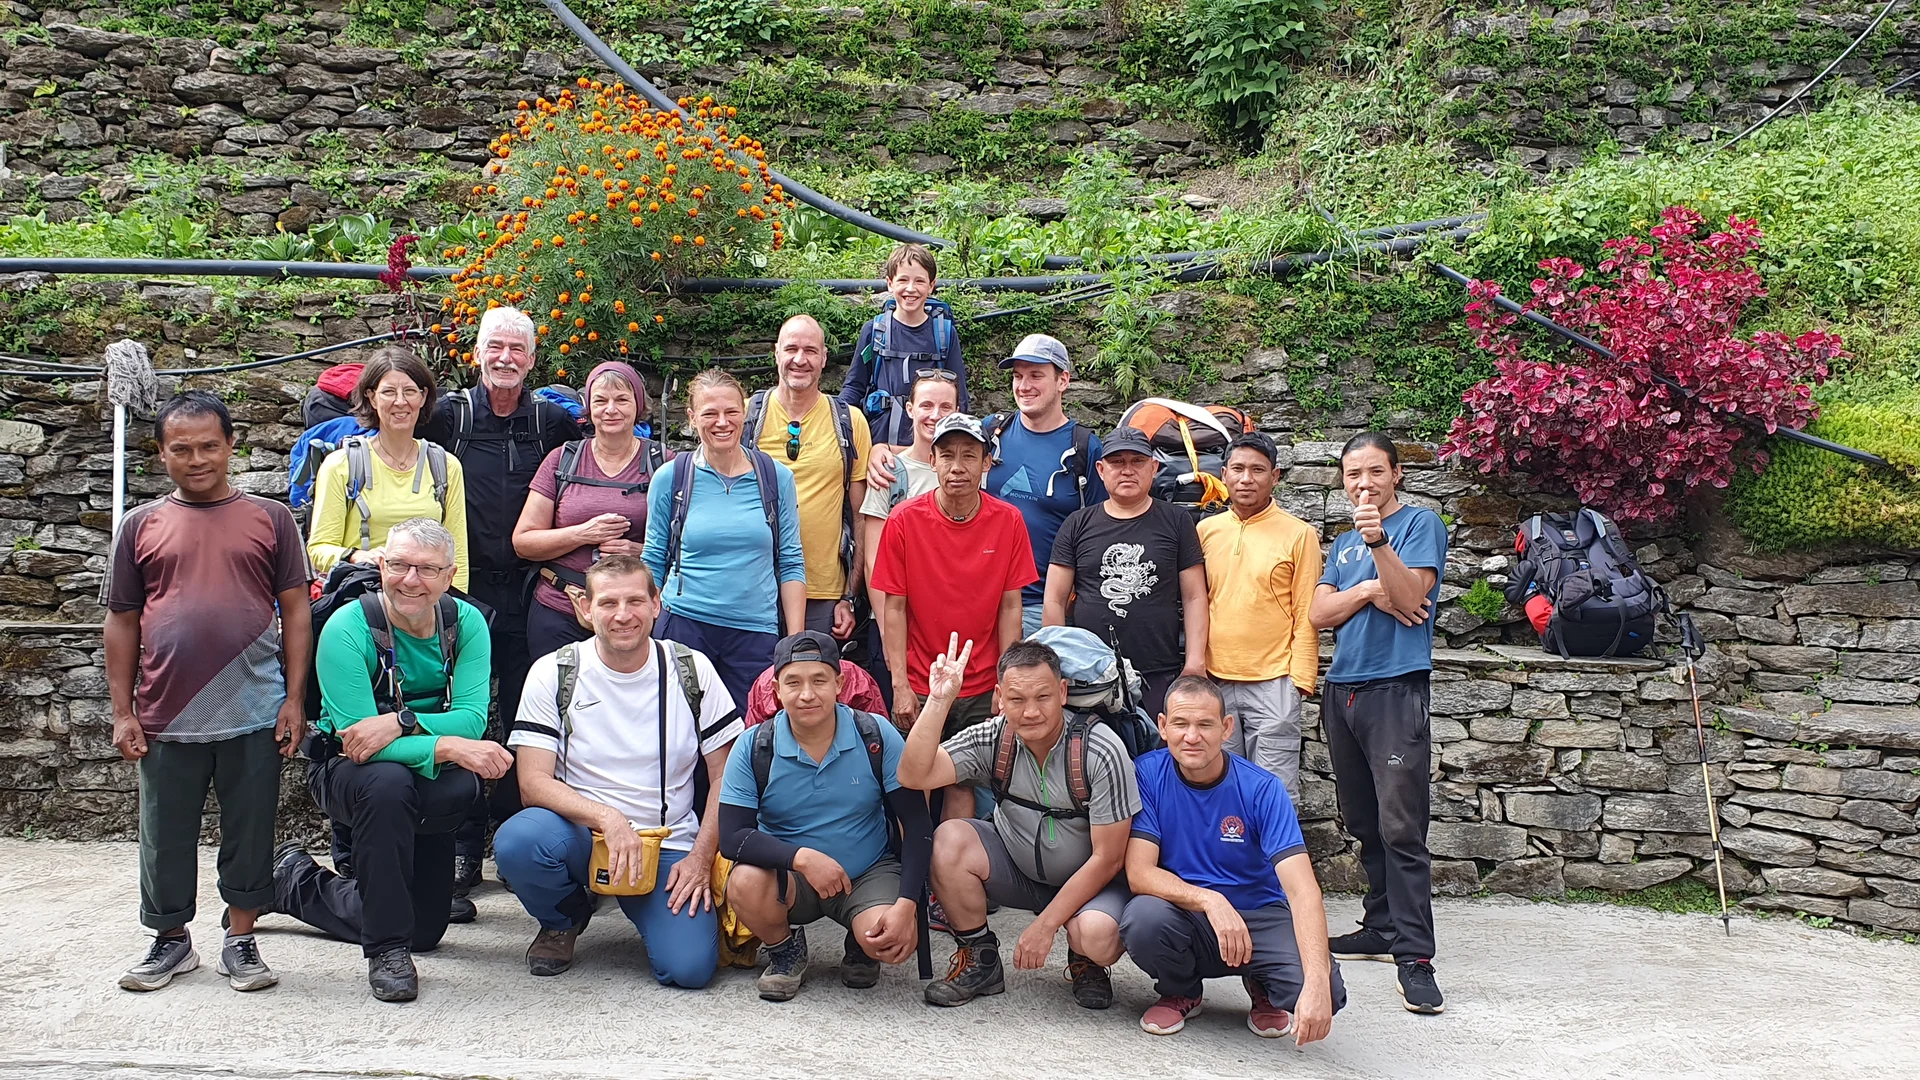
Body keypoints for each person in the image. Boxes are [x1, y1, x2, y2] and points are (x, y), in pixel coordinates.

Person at [105, 391, 312, 994]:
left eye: (209, 446)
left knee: (251, 828)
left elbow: (296, 612)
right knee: (163, 832)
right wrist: (124, 712)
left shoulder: (270, 518)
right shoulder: (138, 526)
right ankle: (170, 941)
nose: (197, 459)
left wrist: (293, 700)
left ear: (230, 446)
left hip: (254, 707)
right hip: (166, 710)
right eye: (182, 448)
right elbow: (121, 620)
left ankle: (241, 939)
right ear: (162, 454)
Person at [271, 518, 512, 1003]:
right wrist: (441, 744)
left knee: (426, 931)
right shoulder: (345, 627)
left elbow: (471, 720)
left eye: (427, 569)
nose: (410, 579)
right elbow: (359, 740)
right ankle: (386, 949)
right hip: (345, 770)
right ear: (381, 565)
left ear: (450, 575)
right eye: (399, 565)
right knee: (386, 783)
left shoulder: (467, 624)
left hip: (420, 777)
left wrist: (399, 722)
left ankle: (292, 882)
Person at [494, 556, 742, 986]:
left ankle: (646, 901)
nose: (623, 615)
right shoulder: (554, 671)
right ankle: (564, 918)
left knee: (689, 970)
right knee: (519, 841)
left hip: (664, 842)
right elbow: (532, 783)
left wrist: (701, 858)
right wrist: (609, 819)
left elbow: (727, 775)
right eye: (608, 603)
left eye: (635, 601)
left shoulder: (691, 669)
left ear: (657, 604)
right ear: (585, 608)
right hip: (582, 835)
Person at [418, 306, 580, 924]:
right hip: (457, 589)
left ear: (533, 359)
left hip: (532, 590)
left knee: (522, 714)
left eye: (518, 348)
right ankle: (459, 850)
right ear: (478, 352)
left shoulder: (552, 422)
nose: (506, 358)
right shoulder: (448, 417)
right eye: (495, 347)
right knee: (455, 711)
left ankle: (514, 839)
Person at [899, 638, 1140, 1010]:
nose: (1030, 712)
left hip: (1093, 883)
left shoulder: (1099, 749)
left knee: (1097, 936)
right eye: (1017, 700)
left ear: (1062, 692)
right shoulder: (995, 736)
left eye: (1042, 697)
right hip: (1019, 870)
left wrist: (1045, 927)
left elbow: (1109, 859)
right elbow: (914, 775)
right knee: (949, 838)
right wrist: (940, 700)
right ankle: (979, 958)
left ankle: (1085, 962)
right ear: (999, 698)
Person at [1308, 431, 1448, 1015]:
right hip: (1343, 691)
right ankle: (1381, 925)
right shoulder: (1340, 544)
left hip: (1395, 689)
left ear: (1395, 475)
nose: (1362, 484)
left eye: (1374, 472)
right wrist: (1369, 588)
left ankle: (1414, 956)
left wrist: (1382, 550)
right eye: (1352, 475)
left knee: (1401, 828)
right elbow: (1319, 613)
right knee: (1364, 820)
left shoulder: (1420, 525)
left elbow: (1412, 596)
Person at [1121, 677, 1345, 1042]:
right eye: (1181, 724)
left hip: (1259, 915)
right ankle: (1183, 990)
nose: (1192, 736)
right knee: (1143, 919)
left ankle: (1263, 985)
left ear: (1226, 728)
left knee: (1325, 994)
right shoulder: (1146, 773)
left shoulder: (1263, 788)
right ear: (1162, 726)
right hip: (1188, 916)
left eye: (1205, 724)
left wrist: (1318, 981)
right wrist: (1211, 900)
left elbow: (1303, 891)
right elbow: (1139, 873)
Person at [718, 631, 933, 1001]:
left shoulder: (875, 734)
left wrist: (907, 904)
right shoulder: (754, 745)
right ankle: (784, 949)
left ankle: (859, 941)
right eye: (793, 682)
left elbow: (917, 823)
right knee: (744, 883)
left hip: (866, 871)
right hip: (791, 878)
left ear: (840, 683)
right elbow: (732, 837)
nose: (807, 694)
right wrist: (801, 858)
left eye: (819, 680)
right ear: (775, 689)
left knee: (889, 941)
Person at [870, 414, 1037, 819]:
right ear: (933, 461)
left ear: (986, 463)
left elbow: (1011, 605)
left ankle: (949, 877)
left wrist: (1006, 680)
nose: (957, 467)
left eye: (969, 456)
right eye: (947, 456)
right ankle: (915, 874)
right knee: (915, 782)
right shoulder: (905, 520)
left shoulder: (1008, 520)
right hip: (922, 678)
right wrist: (900, 685)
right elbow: (894, 607)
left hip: (981, 681)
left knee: (964, 785)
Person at [641, 369, 806, 707]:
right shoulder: (671, 478)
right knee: (678, 735)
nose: (722, 422)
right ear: (691, 418)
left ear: (745, 412)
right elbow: (654, 557)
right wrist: (645, 625)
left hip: (755, 633)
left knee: (747, 736)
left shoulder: (776, 479)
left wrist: (796, 641)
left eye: (731, 412)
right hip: (684, 626)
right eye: (709, 413)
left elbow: (790, 561)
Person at [1044, 425, 1207, 716]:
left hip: (1159, 670)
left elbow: (1195, 597)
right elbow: (1055, 599)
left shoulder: (1177, 521)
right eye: (1117, 462)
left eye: (1137, 461)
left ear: (1154, 467)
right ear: (1100, 469)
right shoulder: (1077, 524)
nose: (1127, 470)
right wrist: (1059, 663)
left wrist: (1195, 663)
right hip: (1090, 672)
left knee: (1156, 753)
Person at [1198, 431, 1322, 797]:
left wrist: (1299, 679)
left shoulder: (1299, 534)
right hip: (1215, 679)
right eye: (1237, 468)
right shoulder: (1206, 531)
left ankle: (1275, 857)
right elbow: (1196, 601)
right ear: (1224, 474)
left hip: (1275, 680)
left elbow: (1306, 608)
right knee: (1219, 788)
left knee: (1274, 792)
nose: (1246, 478)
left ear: (1275, 477)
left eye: (1257, 469)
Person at [514, 360, 665, 657]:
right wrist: (584, 533)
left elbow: (686, 545)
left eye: (622, 400)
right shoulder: (562, 460)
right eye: (601, 400)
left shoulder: (663, 464)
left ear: (638, 406)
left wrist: (640, 552)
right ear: (589, 407)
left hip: (632, 615)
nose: (611, 409)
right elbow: (523, 542)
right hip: (560, 608)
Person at [746, 314, 872, 641]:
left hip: (823, 593)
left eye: (810, 351)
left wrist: (849, 596)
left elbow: (861, 518)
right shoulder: (746, 416)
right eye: (791, 349)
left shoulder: (849, 422)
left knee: (811, 687)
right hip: (752, 587)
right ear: (776, 353)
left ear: (824, 357)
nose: (800, 360)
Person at [308, 347, 470, 591]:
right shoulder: (342, 465)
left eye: (409, 391)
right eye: (388, 392)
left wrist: (453, 609)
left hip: (426, 603)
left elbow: (457, 555)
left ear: (423, 397)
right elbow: (318, 549)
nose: (400, 402)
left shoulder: (445, 466)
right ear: (372, 398)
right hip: (362, 598)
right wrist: (358, 556)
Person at [986, 334, 1106, 635]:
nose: (1024, 386)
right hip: (984, 603)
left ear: (1062, 380)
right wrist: (881, 450)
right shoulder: (990, 434)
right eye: (1017, 376)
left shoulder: (1084, 448)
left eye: (1036, 375)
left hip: (1047, 608)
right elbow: (931, 451)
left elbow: (1100, 532)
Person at [857, 370, 959, 709]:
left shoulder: (973, 471)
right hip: (896, 621)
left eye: (946, 407)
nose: (935, 414)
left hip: (950, 622)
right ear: (910, 408)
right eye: (927, 404)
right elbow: (873, 559)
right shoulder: (889, 470)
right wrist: (888, 632)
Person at [841, 242, 968, 454]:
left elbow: (960, 396)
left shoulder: (944, 334)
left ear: (931, 285)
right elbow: (854, 387)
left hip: (930, 451)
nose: (911, 289)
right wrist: (838, 423)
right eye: (903, 280)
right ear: (890, 284)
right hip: (880, 449)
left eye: (919, 281)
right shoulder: (874, 331)